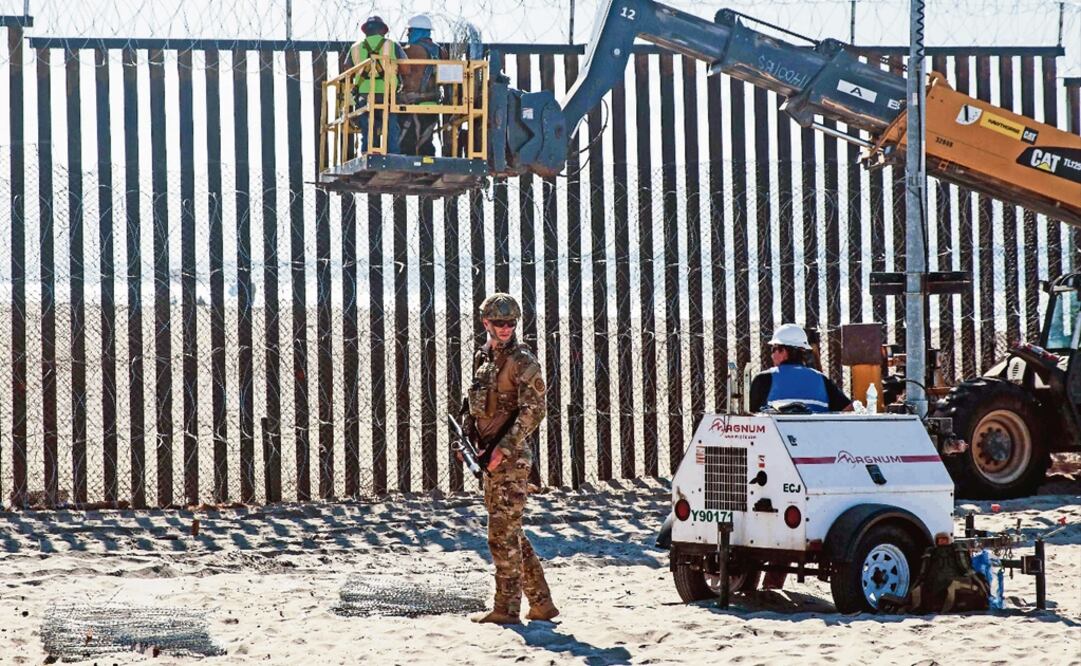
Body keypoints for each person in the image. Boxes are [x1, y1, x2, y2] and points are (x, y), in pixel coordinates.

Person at [461, 293, 558, 625]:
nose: (505, 328)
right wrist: (470, 442)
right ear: (485, 323)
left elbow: (534, 411)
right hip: (489, 456)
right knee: (511, 531)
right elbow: (478, 407)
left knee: (501, 536)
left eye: (511, 323)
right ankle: (542, 603)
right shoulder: (484, 357)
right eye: (499, 322)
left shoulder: (522, 361)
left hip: (510, 459)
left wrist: (502, 449)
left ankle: (506, 609)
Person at [749, 323, 854, 413]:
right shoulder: (821, 379)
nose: (771, 355)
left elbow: (751, 417)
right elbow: (848, 409)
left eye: (773, 349)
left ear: (784, 351)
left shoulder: (763, 379)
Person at [346, 15, 403, 154]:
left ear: (365, 31)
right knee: (390, 124)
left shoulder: (355, 48)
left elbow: (347, 70)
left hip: (364, 94)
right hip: (387, 93)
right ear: (383, 30)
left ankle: (369, 152)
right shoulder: (392, 45)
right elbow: (407, 68)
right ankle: (392, 154)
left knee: (367, 125)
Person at [398, 14, 447, 156]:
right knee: (426, 140)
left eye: (410, 31)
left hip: (412, 103)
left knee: (407, 142)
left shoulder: (411, 50)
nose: (408, 34)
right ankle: (428, 164)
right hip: (432, 102)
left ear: (418, 31)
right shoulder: (441, 52)